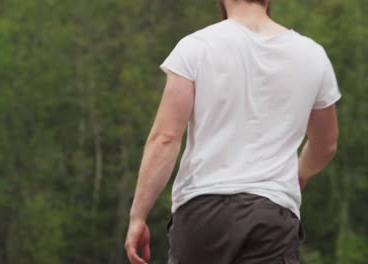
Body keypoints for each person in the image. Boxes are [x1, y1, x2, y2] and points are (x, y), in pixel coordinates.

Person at [124, 0, 341, 263]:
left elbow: (165, 139)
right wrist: (300, 173)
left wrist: (138, 216)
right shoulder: (312, 56)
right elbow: (325, 144)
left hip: (201, 215)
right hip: (270, 217)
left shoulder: (196, 47)